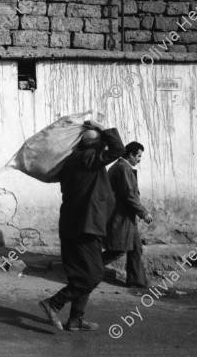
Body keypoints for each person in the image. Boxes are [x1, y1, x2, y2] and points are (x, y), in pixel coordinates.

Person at [39, 121, 125, 331]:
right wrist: (103, 129)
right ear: (94, 145)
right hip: (82, 227)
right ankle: (54, 303)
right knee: (94, 275)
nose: (104, 147)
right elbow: (119, 150)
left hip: (82, 226)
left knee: (84, 273)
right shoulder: (85, 158)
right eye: (101, 143)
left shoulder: (78, 159)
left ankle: (76, 318)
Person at [102, 142, 153, 288]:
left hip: (127, 217)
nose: (139, 159)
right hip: (121, 216)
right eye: (138, 156)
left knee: (136, 247)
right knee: (119, 250)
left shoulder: (121, 167)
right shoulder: (122, 168)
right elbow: (129, 195)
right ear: (130, 155)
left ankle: (136, 281)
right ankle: (88, 268)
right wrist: (143, 213)